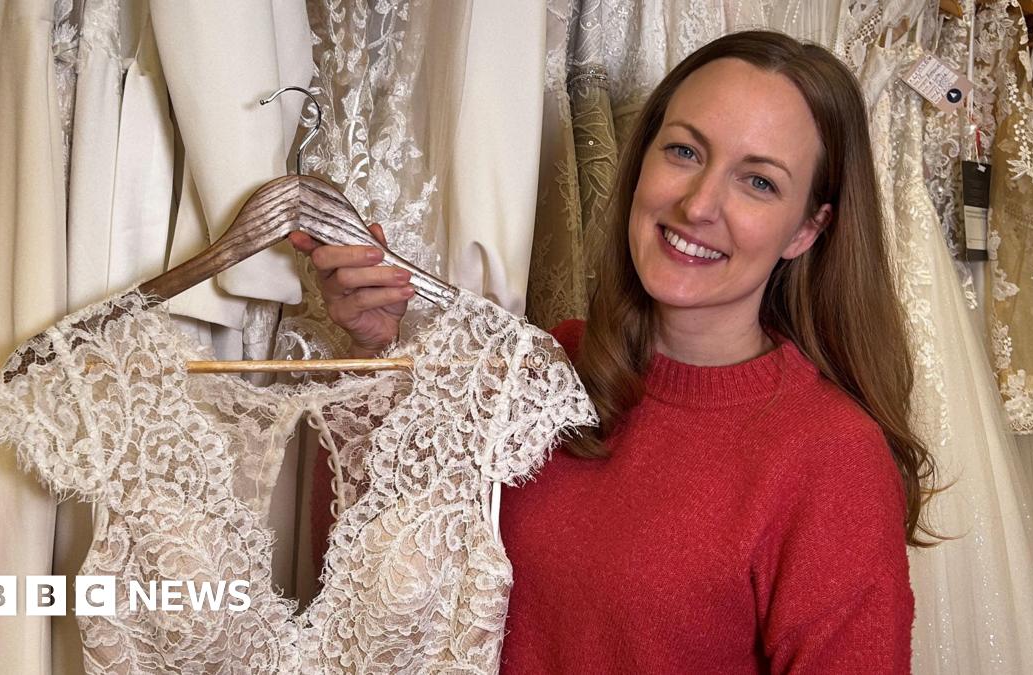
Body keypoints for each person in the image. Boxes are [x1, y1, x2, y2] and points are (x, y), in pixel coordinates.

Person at [289, 30, 933, 674]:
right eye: (684, 151)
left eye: (759, 183)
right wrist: (376, 357)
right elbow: (363, 591)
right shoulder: (536, 367)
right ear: (640, 157)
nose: (699, 205)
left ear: (806, 229)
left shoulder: (831, 456)